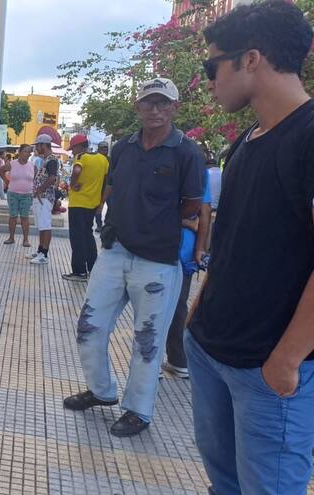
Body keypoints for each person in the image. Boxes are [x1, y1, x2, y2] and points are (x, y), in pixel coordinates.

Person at [186, 3, 314, 492]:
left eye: (212, 66)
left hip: (268, 368)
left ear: (252, 59)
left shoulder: (308, 136)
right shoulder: (247, 140)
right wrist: (199, 309)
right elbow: (236, 235)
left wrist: (286, 360)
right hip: (211, 349)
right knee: (225, 484)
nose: (208, 81)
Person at [62, 77, 204, 437]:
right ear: (137, 106)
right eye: (148, 102)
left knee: (147, 340)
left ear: (174, 107)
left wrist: (161, 227)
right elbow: (112, 187)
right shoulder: (123, 147)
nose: (155, 110)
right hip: (116, 250)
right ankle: (101, 390)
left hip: (158, 260)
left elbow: (192, 205)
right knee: (89, 326)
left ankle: (138, 410)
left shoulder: (186, 152)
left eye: (163, 103)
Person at [162, 172, 212, 379]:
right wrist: (200, 248)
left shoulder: (163, 166)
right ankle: (178, 359)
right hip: (187, 249)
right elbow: (205, 213)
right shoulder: (200, 172)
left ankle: (152, 362)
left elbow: (156, 209)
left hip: (161, 245)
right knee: (178, 304)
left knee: (155, 303)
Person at [62, 134, 109, 282]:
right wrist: (101, 202)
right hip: (92, 204)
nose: (72, 151)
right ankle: (92, 268)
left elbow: (76, 171)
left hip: (78, 203)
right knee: (88, 235)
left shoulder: (81, 157)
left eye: (73, 148)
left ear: (79, 146)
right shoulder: (102, 159)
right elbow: (108, 182)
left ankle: (79, 271)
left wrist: (72, 184)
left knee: (77, 238)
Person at [28, 135, 60, 264]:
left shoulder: (51, 160)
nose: (36, 147)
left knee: (45, 226)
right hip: (40, 197)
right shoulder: (45, 159)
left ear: (43, 145)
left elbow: (52, 178)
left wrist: (40, 190)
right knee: (41, 226)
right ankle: (40, 250)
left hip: (45, 197)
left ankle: (44, 255)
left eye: (37, 145)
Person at [0, 144, 35, 247]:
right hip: (13, 194)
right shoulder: (12, 164)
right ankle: (11, 238)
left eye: (29, 152)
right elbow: (1, 170)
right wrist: (6, 180)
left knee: (24, 217)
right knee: (13, 216)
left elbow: (35, 177)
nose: (27, 154)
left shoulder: (32, 165)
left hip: (27, 195)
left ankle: (25, 240)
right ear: (20, 152)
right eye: (25, 151)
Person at [94, 141, 110, 232]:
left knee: (111, 207)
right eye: (103, 149)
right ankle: (99, 225)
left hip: (109, 187)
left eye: (106, 149)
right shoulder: (95, 159)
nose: (105, 151)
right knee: (98, 207)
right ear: (99, 149)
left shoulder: (110, 160)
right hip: (99, 187)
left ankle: (108, 225)